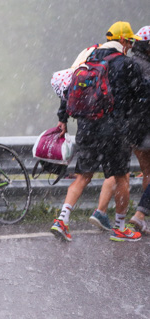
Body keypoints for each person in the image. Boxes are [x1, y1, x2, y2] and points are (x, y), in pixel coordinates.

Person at [50, 21, 145, 242]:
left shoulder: (88, 58)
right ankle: (120, 227)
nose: (130, 46)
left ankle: (62, 220)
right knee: (121, 178)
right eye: (129, 41)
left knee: (83, 176)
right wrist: (132, 122)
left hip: (86, 126)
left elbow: (67, 90)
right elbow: (140, 96)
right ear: (122, 40)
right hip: (115, 130)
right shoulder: (126, 64)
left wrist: (62, 118)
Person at [126, 25, 150, 233]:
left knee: (147, 173)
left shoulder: (130, 63)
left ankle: (143, 218)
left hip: (132, 128)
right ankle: (140, 214)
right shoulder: (146, 67)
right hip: (146, 126)